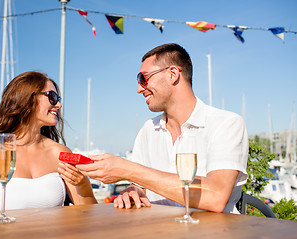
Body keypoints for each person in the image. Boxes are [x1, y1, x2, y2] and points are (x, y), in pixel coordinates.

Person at [76, 43, 248, 213]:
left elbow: (215, 198)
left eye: (143, 78)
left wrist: (127, 170)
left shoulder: (227, 124)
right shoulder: (148, 130)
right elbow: (140, 185)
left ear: (172, 74)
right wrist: (134, 191)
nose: (138, 89)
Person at [0, 71, 97, 212]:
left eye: (58, 98)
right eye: (52, 97)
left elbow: (88, 214)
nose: (59, 105)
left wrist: (84, 186)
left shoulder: (60, 153)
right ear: (27, 98)